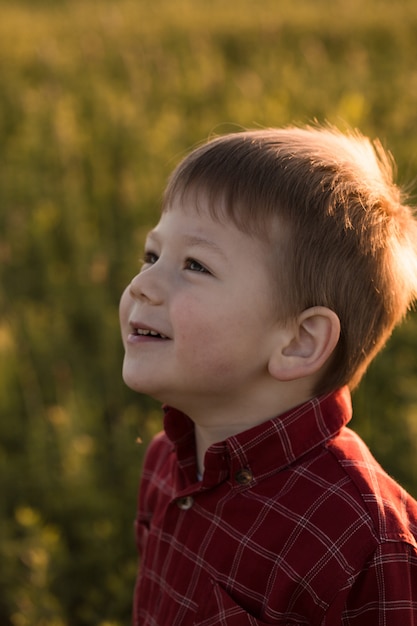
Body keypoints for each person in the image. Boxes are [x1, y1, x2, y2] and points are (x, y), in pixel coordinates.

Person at [119, 125, 417, 625]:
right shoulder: (165, 463)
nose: (142, 285)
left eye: (195, 265)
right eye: (152, 256)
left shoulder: (363, 543)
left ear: (299, 342)